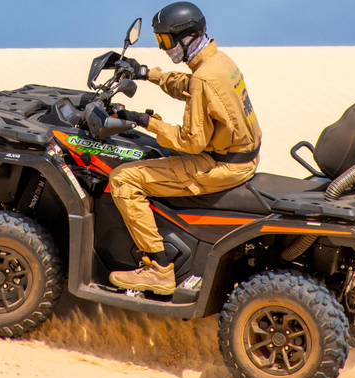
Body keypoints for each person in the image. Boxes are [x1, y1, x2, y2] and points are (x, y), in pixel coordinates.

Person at [108, 1, 263, 295]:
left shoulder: (205, 78)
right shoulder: (218, 62)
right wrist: (145, 73)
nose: (164, 48)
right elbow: (191, 87)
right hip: (241, 157)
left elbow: (191, 142)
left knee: (123, 180)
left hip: (221, 165)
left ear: (186, 36)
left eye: (166, 40)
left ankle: (158, 269)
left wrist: (144, 121)